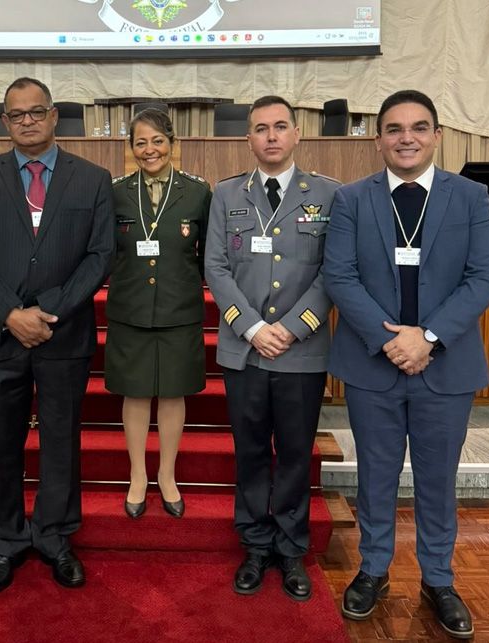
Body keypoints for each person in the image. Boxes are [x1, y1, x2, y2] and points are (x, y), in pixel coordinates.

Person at [323, 89, 489, 639]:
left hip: (445, 368)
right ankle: (373, 570)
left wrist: (427, 337)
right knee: (375, 476)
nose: (407, 138)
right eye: (395, 129)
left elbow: (483, 279)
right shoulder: (352, 199)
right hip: (373, 366)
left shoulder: (470, 197)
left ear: (437, 135)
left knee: (436, 480)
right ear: (378, 138)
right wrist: (393, 343)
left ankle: (439, 579)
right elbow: (340, 277)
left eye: (419, 128)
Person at [0, 77, 115, 593]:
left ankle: (54, 537)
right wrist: (10, 313)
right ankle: (5, 540)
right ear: (5, 122)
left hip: (62, 335)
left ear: (53, 117)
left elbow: (100, 256)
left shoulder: (92, 179)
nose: (27, 120)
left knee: (60, 442)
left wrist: (46, 311)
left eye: (36, 111)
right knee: (1, 442)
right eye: (16, 113)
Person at [204, 95, 339, 600]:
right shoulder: (227, 195)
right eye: (261, 128)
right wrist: (252, 326)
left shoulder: (327, 194)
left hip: (301, 352)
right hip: (245, 350)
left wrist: (297, 326)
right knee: (252, 451)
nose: (272, 136)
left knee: (296, 454)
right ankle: (256, 546)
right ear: (249, 139)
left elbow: (334, 270)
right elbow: (215, 267)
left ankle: (290, 549)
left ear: (297, 133)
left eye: (281, 126)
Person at [105, 109, 211, 520]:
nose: (149, 150)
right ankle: (137, 475)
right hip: (130, 307)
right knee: (134, 392)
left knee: (171, 393)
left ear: (172, 142)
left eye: (157, 141)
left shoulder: (198, 192)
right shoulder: (114, 192)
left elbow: (207, 255)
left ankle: (166, 474)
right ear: (131, 148)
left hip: (178, 307)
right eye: (140, 142)